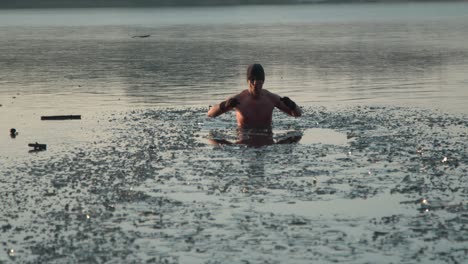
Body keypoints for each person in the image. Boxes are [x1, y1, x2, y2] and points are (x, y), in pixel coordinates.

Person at [207, 64, 302, 129]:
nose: (255, 83)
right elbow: (210, 114)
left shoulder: (271, 98)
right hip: (244, 140)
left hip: (267, 140)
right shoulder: (238, 99)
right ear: (247, 81)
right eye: (252, 79)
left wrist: (292, 105)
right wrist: (225, 105)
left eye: (259, 79)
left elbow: (298, 114)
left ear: (263, 81)